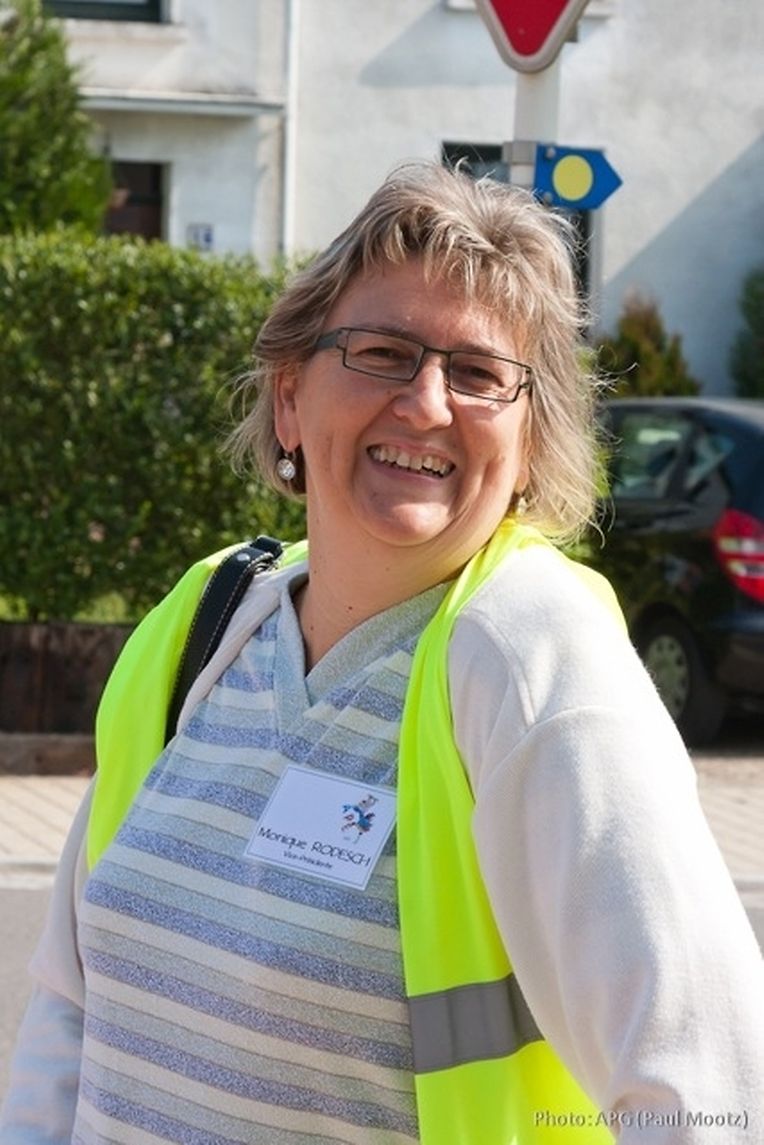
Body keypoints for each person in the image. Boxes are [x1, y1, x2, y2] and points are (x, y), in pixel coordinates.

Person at [1, 162, 762, 1145]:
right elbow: (71, 1002)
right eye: (382, 352)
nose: (427, 402)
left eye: (478, 373)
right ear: (289, 397)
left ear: (529, 443)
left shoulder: (532, 658)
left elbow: (710, 1091)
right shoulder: (206, 618)